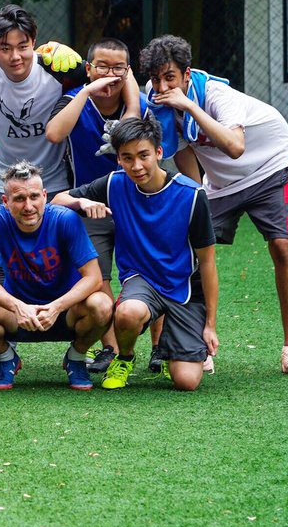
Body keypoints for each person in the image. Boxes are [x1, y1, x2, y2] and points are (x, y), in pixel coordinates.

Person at [139, 35, 288, 375]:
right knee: (191, 250)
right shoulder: (157, 105)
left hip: (273, 166)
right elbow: (182, 150)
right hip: (222, 184)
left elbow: (235, 146)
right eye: (156, 79)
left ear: (186, 73)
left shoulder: (215, 95)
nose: (163, 86)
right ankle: (196, 342)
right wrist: (195, 197)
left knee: (283, 247)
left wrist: (190, 106)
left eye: (170, 77)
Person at [52, 116, 218, 390]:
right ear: (118, 159)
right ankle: (125, 357)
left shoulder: (192, 195)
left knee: (187, 382)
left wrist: (210, 325)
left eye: (144, 155)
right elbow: (58, 200)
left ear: (159, 152)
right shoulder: (114, 184)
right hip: (142, 281)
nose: (136, 166)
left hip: (185, 288)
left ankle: (171, 349)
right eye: (127, 158)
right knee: (128, 312)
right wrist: (82, 201)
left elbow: (208, 263)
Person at [0, 161, 113, 390]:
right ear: (6, 202)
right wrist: (17, 307)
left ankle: (76, 357)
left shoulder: (65, 219)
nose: (28, 206)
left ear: (44, 196)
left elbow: (93, 277)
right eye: (19, 199)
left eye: (34, 197)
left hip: (66, 313)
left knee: (102, 304)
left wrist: (56, 307)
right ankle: (6, 358)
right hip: (19, 316)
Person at [45, 37, 143, 372]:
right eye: (102, 66)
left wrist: (122, 80)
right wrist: (88, 90)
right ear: (88, 69)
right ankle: (110, 349)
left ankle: (161, 347)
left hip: (135, 201)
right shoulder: (73, 100)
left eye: (118, 68)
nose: (109, 74)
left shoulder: (136, 106)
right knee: (97, 274)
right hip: (88, 199)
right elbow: (55, 134)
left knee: (152, 269)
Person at [0, 5, 81, 209]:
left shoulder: (58, 70)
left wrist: (132, 110)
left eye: (22, 46)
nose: (15, 56)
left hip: (53, 180)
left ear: (33, 43)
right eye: (5, 48)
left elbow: (111, 71)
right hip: (3, 180)